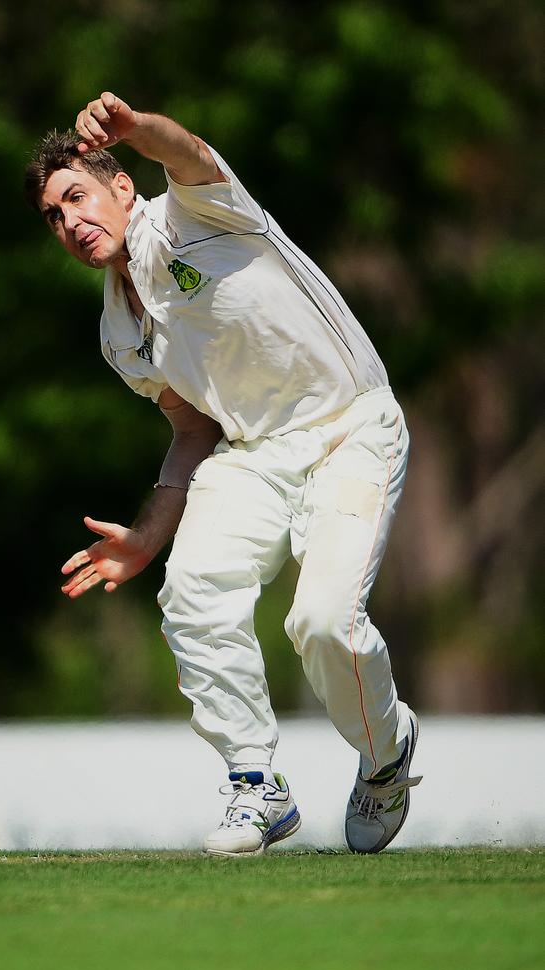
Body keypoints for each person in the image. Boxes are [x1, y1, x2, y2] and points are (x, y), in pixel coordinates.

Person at [24, 92, 422, 857]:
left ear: (121, 188)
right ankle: (256, 787)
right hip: (251, 451)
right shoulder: (118, 333)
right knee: (194, 591)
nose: (70, 221)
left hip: (349, 427)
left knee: (319, 625)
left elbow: (190, 152)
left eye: (77, 196)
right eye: (52, 216)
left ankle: (385, 755)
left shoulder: (195, 214)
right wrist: (145, 537)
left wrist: (138, 130)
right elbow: (192, 430)